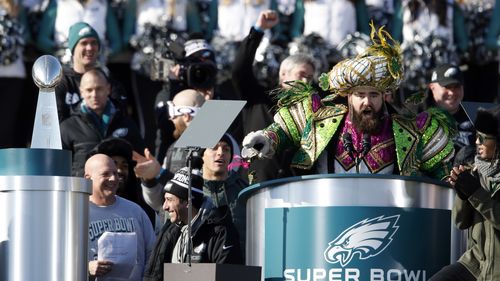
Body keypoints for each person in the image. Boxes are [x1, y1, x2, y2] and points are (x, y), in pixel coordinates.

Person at [242, 23, 455, 180]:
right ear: (348, 96)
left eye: (374, 95)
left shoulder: (409, 130)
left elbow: (442, 169)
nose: (367, 102)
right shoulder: (320, 118)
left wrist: (455, 177)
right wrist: (265, 138)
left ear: (384, 96)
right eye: (360, 95)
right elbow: (284, 131)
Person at [232, 9, 316, 182]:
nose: (306, 82)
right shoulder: (258, 99)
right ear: (283, 74)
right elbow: (239, 70)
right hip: (253, 187)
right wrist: (258, 30)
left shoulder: (314, 111)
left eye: (309, 78)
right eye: (301, 75)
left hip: (294, 190)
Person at [136, 134, 248, 251]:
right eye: (214, 148)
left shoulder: (243, 190)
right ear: (202, 155)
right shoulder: (187, 189)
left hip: (239, 266)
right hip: (196, 266)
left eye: (226, 149)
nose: (221, 152)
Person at [429, 106, 500, 281]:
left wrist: (476, 194)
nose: (477, 142)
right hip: (476, 264)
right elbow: (460, 223)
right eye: (476, 136)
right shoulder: (476, 170)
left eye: (483, 138)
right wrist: (462, 195)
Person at [142, 166, 243, 281]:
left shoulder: (220, 232)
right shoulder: (169, 231)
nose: (164, 206)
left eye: (169, 200)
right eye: (165, 200)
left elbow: (229, 275)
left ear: (188, 202)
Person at [61, 68, 145, 176]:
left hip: (120, 190)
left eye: (99, 89)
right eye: (89, 90)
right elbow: (59, 170)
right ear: (81, 92)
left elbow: (140, 160)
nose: (94, 94)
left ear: (108, 89)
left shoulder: (126, 123)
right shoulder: (68, 127)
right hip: (83, 190)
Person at [85, 154, 156, 281]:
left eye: (115, 173)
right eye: (105, 174)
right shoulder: (78, 213)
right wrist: (86, 268)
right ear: (88, 178)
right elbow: (60, 259)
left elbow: (153, 253)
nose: (113, 178)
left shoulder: (135, 211)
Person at [43, 22, 127, 121]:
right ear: (73, 49)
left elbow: (120, 120)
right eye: (84, 43)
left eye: (94, 43)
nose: (90, 48)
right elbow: (53, 124)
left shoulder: (109, 82)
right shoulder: (59, 83)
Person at [90, 138, 159, 231]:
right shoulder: (84, 210)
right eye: (113, 165)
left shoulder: (143, 212)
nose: (119, 170)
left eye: (124, 166)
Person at [426, 63, 474, 152]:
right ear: (432, 87)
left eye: (456, 87)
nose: (452, 93)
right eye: (446, 87)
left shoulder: (476, 117)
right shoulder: (415, 118)